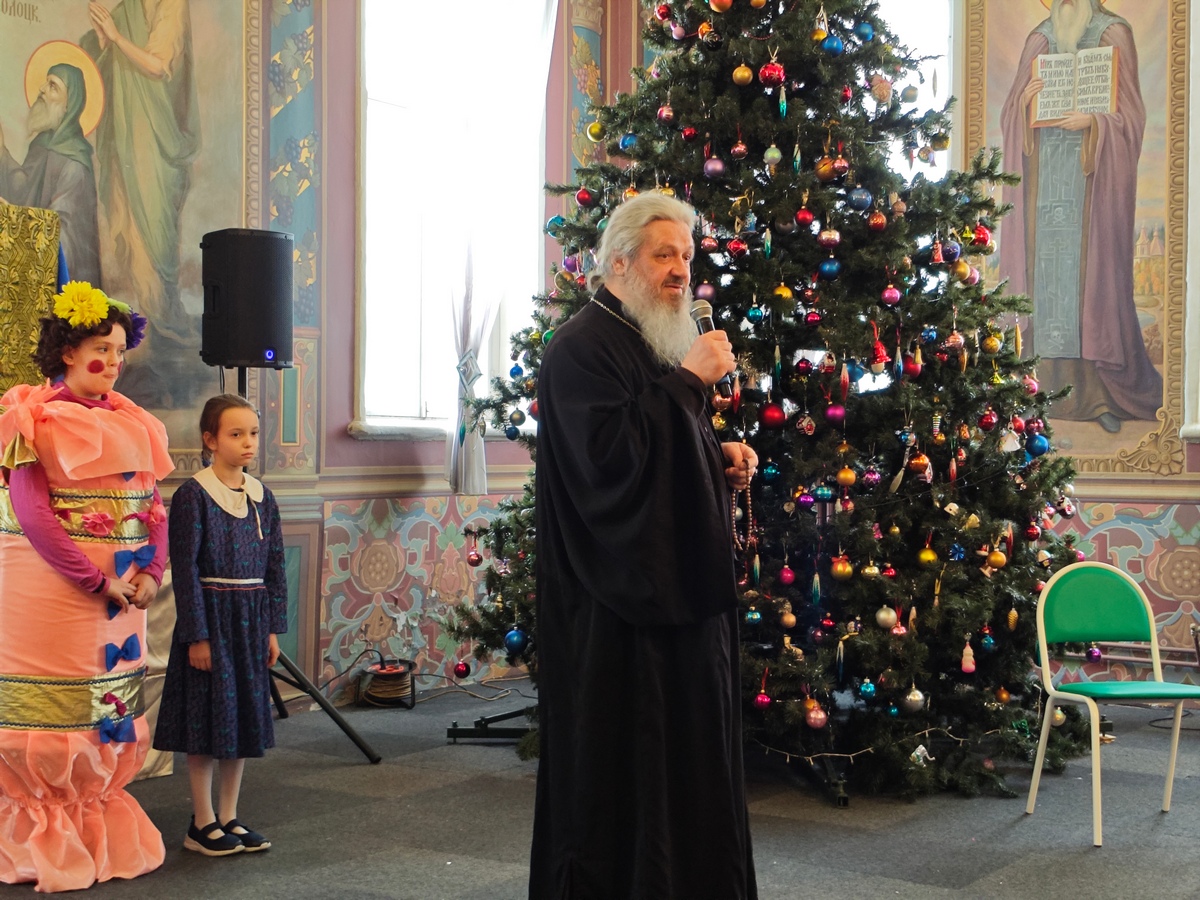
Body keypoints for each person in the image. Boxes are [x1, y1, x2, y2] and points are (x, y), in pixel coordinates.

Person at [530, 192, 759, 899]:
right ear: (619, 264)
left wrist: (715, 454)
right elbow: (611, 468)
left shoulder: (648, 338)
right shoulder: (579, 350)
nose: (681, 271)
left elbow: (660, 443)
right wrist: (689, 383)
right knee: (624, 784)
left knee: (691, 771)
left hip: (678, 601)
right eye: (665, 255)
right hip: (616, 617)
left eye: (687, 256)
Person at [0, 282, 171, 892]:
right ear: (68, 351)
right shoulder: (30, 419)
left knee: (108, 705)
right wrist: (95, 580)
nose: (115, 361)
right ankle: (38, 838)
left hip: (122, 598)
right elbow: (32, 514)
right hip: (55, 597)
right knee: (54, 708)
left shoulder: (133, 422)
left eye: (120, 350)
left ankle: (92, 829)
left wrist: (151, 571)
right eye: (102, 348)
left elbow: (153, 507)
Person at [999, 0, 1162, 433]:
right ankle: (1037, 392)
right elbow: (1012, 113)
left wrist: (1094, 121)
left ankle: (1099, 395)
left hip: (1092, 193)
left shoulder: (1112, 34)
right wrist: (1024, 106)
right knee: (1045, 282)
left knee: (1090, 281)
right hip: (1043, 190)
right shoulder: (1040, 39)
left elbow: (1131, 117)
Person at [153, 394, 287, 856]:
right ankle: (202, 821)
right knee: (206, 721)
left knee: (241, 719)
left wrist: (271, 629)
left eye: (253, 433)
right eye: (236, 434)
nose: (248, 442)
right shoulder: (193, 495)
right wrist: (197, 635)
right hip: (212, 619)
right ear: (210, 440)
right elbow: (185, 571)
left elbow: (275, 567)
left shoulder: (263, 497)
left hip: (250, 621)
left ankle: (229, 815)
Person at [81, 0, 202, 406]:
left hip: (155, 140)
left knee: (154, 236)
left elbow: (157, 65)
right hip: (126, 136)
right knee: (127, 226)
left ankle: (162, 331)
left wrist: (116, 37)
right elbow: (106, 65)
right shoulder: (128, 8)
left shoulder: (171, 4)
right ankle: (137, 343)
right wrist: (104, 41)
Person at [0, 63, 101, 285]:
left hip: (61, 285)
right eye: (46, 82)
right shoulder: (42, 144)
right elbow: (24, 191)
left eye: (53, 86)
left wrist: (18, 223)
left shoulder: (75, 163)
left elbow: (64, 237)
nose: (42, 89)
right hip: (31, 272)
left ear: (69, 105)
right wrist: (2, 154)